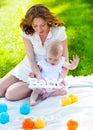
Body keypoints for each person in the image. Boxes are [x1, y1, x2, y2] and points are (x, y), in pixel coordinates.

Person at [0, 4, 69, 101]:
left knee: (10, 94)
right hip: (29, 66)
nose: (39, 29)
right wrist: (38, 76)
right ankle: (28, 83)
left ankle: (35, 88)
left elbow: (65, 60)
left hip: (46, 70)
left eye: (42, 25)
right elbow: (31, 59)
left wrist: (59, 80)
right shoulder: (28, 32)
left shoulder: (58, 32)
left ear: (48, 21)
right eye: (35, 26)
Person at [29, 41, 79, 106]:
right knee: (35, 91)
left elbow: (70, 66)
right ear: (47, 55)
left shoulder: (61, 62)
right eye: (50, 58)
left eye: (56, 59)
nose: (52, 61)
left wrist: (74, 65)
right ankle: (32, 100)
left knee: (65, 91)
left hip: (54, 85)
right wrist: (33, 74)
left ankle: (48, 94)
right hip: (44, 85)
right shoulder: (43, 62)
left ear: (60, 56)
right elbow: (37, 70)